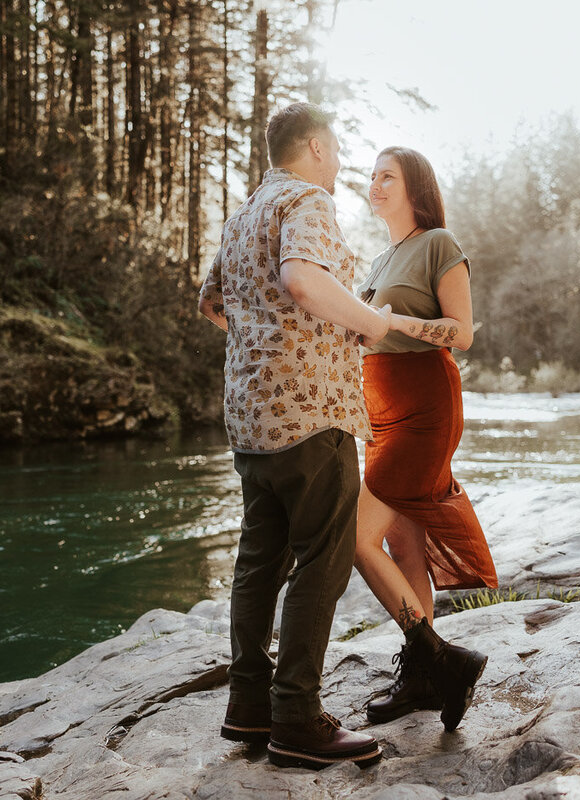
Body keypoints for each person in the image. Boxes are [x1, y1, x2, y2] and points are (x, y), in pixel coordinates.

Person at [197, 102, 391, 771]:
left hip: (250, 419)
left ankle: (248, 708)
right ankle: (297, 720)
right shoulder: (307, 200)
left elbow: (213, 303)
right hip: (313, 416)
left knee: (258, 565)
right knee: (322, 562)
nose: (339, 167)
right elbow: (302, 279)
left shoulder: (244, 210)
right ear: (312, 147)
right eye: (336, 152)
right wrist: (368, 323)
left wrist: (266, 343)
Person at [352, 146, 499, 732]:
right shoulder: (376, 260)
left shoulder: (439, 243)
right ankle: (422, 676)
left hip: (425, 408)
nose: (374, 184)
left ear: (415, 187)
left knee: (355, 539)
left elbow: (461, 333)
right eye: (371, 176)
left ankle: (442, 660)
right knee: (403, 547)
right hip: (379, 415)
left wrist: (398, 322)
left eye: (387, 176)